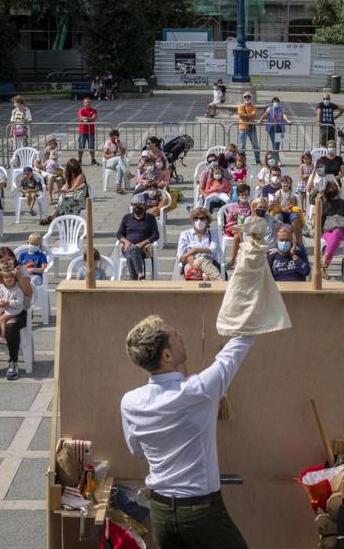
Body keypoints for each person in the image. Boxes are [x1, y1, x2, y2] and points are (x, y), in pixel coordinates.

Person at [121, 315, 253, 549]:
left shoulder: (130, 403)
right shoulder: (198, 392)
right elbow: (239, 345)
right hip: (200, 513)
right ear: (167, 356)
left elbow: (137, 452)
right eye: (175, 336)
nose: (181, 337)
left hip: (160, 512)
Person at [0, 268, 26, 381]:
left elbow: (20, 301)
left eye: (11, 277)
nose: (9, 279)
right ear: (2, 279)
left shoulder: (17, 288)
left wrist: (8, 303)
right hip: (2, 309)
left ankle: (13, 362)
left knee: (9, 325)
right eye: (6, 277)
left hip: (14, 310)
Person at [118, 194, 160, 280]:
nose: (136, 207)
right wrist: (125, 241)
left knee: (131, 254)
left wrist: (142, 243)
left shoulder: (150, 218)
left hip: (144, 249)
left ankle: (134, 278)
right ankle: (140, 274)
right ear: (132, 205)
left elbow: (156, 235)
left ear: (144, 205)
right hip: (127, 247)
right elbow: (119, 234)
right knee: (133, 249)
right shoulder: (126, 217)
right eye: (134, 205)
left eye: (139, 205)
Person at [176, 207, 222, 281]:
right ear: (193, 220)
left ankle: (208, 281)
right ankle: (220, 283)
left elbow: (213, 249)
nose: (199, 221)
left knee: (203, 272)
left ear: (207, 220)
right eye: (196, 218)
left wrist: (194, 250)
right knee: (203, 274)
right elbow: (180, 257)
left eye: (202, 218)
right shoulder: (185, 234)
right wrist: (189, 258)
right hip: (190, 262)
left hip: (209, 261)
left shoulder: (213, 234)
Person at [318, 183, 344, 276]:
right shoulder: (323, 203)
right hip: (327, 231)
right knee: (334, 238)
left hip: (342, 230)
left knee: (336, 232)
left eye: (334, 187)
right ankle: (324, 264)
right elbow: (318, 219)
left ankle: (324, 262)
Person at [44, 158, 89, 224]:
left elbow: (74, 188)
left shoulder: (81, 176)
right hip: (72, 198)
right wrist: (60, 190)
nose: (73, 171)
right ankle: (55, 218)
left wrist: (65, 191)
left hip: (80, 200)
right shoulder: (69, 176)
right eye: (72, 169)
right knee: (62, 198)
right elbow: (66, 187)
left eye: (74, 169)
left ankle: (53, 217)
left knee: (64, 199)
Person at [103, 129, 130, 195]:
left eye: (113, 138)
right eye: (111, 138)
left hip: (120, 164)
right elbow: (104, 155)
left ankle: (118, 187)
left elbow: (123, 153)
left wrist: (118, 144)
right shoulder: (108, 143)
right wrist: (111, 155)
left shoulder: (122, 143)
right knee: (119, 158)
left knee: (119, 166)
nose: (112, 139)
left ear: (117, 137)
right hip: (110, 162)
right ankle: (127, 173)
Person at [237, 92, 261, 164]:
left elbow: (253, 116)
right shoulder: (241, 106)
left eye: (248, 97)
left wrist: (245, 116)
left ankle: (257, 160)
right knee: (242, 145)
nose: (247, 98)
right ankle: (242, 160)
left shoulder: (253, 106)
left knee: (255, 144)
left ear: (250, 98)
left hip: (251, 127)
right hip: (243, 127)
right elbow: (241, 115)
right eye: (245, 97)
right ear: (243, 98)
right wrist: (249, 116)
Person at [76, 97, 99, 165]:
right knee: (81, 146)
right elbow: (80, 119)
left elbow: (94, 118)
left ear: (90, 103)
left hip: (91, 132)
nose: (87, 103)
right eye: (86, 102)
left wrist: (86, 118)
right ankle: (80, 160)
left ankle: (93, 160)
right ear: (83, 103)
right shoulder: (81, 110)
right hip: (82, 132)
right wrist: (88, 119)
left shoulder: (94, 110)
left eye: (88, 102)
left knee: (91, 146)